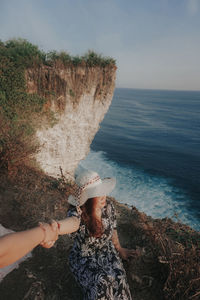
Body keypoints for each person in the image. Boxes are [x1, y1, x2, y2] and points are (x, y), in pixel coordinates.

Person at [54, 168, 137, 300]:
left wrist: (119, 249)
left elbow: (113, 229)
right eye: (97, 193)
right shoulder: (79, 213)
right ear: (87, 198)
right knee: (101, 282)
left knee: (118, 280)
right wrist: (56, 228)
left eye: (102, 191)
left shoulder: (108, 207)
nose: (103, 196)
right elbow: (72, 223)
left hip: (108, 254)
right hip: (84, 259)